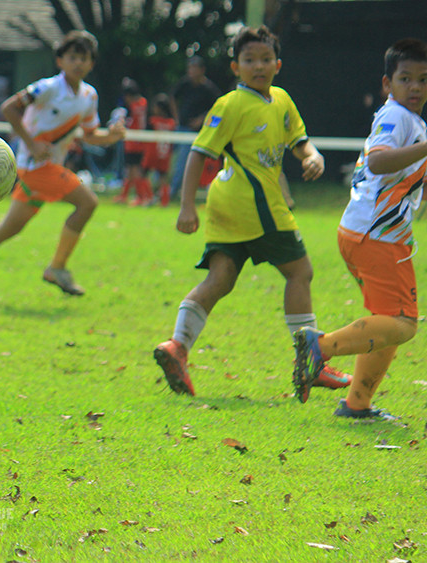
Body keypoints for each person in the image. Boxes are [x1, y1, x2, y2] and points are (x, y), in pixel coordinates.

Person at [153, 26, 351, 397]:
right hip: (257, 206)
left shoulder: (281, 100)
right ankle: (311, 361)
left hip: (227, 205)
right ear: (236, 67)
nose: (258, 66)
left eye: (265, 59)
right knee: (300, 272)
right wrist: (185, 205)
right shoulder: (231, 104)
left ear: (277, 64)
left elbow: (300, 142)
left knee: (221, 278)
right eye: (249, 60)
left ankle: (177, 345)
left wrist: (313, 156)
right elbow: (199, 152)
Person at [0, 30, 125, 300]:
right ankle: (57, 267)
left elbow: (90, 134)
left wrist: (112, 136)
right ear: (60, 60)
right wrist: (32, 143)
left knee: (8, 228)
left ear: (92, 63)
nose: (78, 63)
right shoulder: (47, 88)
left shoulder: (88, 95)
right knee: (88, 203)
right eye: (72, 57)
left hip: (44, 168)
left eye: (84, 58)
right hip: (34, 167)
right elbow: (9, 107)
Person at [292, 38, 427, 418]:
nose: (415, 87)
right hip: (377, 237)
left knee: (387, 319)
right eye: (405, 78)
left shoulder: (410, 121)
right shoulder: (396, 117)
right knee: (404, 323)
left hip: (365, 233)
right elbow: (380, 162)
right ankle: (320, 347)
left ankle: (357, 403)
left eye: (423, 79)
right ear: (388, 84)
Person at [170, 56, 221, 202]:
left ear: (202, 70)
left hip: (197, 132)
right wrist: (176, 117)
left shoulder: (208, 88)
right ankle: (167, 191)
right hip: (181, 127)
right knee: (171, 160)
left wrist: (202, 119)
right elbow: (172, 97)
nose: (191, 71)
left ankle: (174, 192)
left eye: (194, 68)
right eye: (190, 68)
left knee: (184, 162)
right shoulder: (184, 83)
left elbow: (218, 107)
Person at [112, 78, 152, 206]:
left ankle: (142, 197)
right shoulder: (144, 103)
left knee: (135, 170)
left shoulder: (132, 106)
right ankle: (124, 195)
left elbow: (128, 121)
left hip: (133, 142)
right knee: (130, 170)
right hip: (140, 141)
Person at [143, 93, 177, 206]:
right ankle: (164, 201)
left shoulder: (153, 121)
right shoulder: (171, 123)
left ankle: (149, 197)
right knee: (163, 178)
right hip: (165, 154)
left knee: (143, 174)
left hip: (152, 152)